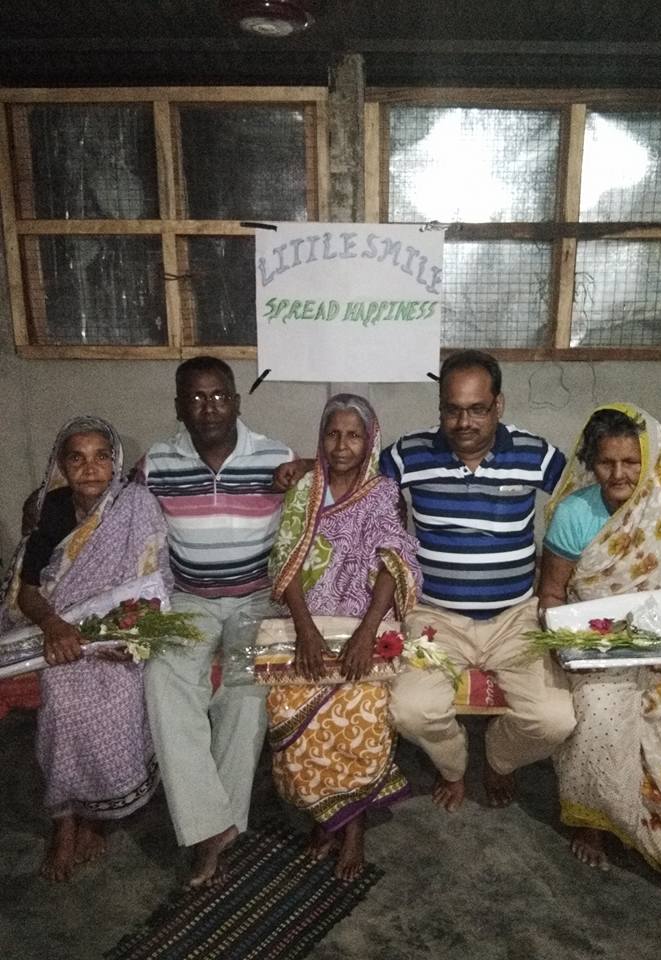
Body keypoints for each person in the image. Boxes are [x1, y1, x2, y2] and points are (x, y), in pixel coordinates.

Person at [276, 350, 661, 811]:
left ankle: (500, 759)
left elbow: (598, 473)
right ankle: (454, 764)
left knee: (554, 719)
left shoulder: (532, 453)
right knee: (409, 711)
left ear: (497, 405)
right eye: (453, 409)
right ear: (440, 407)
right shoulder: (410, 454)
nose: (464, 422)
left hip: (515, 616)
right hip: (433, 617)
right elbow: (352, 465)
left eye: (477, 409)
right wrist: (305, 466)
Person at [538, 404, 661, 910]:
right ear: (591, 463)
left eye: (631, 463)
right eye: (606, 463)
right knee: (597, 720)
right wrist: (572, 646)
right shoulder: (576, 514)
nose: (618, 475)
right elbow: (551, 596)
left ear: (653, 461)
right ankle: (595, 822)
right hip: (601, 651)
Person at [139, 356, 293, 886]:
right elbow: (119, 511)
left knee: (246, 690)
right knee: (163, 678)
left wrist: (313, 467)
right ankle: (212, 825)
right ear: (179, 406)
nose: (209, 408)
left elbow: (335, 481)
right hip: (189, 601)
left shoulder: (275, 456)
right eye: (196, 398)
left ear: (237, 401)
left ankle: (215, 832)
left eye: (219, 396)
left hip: (256, 600)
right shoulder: (157, 463)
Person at [0, 416, 171, 882]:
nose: (90, 468)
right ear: (62, 465)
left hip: (118, 640)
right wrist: (55, 627)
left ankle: (95, 817)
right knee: (61, 713)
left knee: (116, 704)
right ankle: (64, 823)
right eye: (77, 458)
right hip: (62, 638)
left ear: (115, 462)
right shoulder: (49, 509)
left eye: (101, 457)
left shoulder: (135, 507)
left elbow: (154, 581)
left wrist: (131, 639)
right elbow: (28, 590)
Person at [267, 394, 421, 880]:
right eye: (333, 434)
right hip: (305, 621)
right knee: (287, 708)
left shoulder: (382, 492)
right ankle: (324, 813)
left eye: (354, 435)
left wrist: (365, 635)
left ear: (370, 439)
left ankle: (351, 827)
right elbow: (285, 561)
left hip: (363, 623)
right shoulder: (305, 489)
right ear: (321, 437)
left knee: (363, 708)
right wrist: (306, 632)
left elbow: (391, 561)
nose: (342, 445)